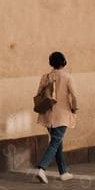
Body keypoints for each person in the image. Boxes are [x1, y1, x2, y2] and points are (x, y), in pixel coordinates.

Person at [35, 51, 78, 183]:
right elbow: (74, 96)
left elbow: (38, 95)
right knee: (55, 143)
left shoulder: (45, 77)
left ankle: (63, 172)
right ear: (63, 62)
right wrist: (74, 109)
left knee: (57, 143)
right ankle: (42, 169)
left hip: (48, 115)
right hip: (62, 115)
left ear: (51, 63)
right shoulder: (67, 77)